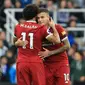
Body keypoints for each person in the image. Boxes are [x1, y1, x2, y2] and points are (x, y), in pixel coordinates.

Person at [14, 4, 60, 85]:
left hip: (22, 62)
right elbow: (57, 40)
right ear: (35, 16)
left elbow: (15, 41)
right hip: (36, 62)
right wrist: (53, 27)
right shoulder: (40, 28)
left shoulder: (18, 26)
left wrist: (17, 43)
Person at [37, 8, 71, 85]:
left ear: (49, 18)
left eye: (42, 17)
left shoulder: (58, 28)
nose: (40, 20)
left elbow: (67, 46)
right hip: (46, 65)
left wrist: (50, 53)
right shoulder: (37, 31)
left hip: (61, 63)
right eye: (38, 18)